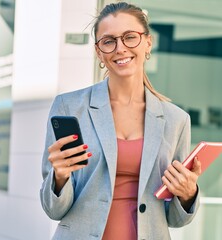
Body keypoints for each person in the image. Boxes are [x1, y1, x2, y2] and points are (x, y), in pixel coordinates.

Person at [40, 2, 202, 239]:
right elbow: (53, 209)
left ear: (148, 43)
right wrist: (59, 178)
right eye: (109, 41)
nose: (120, 48)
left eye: (130, 37)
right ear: (99, 52)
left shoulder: (176, 120)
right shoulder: (69, 107)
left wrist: (188, 193)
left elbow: (174, 219)